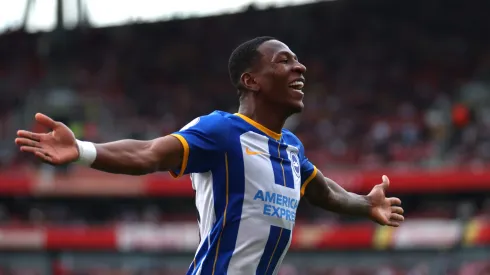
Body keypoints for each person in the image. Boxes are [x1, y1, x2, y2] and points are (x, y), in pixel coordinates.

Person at [15, 36, 404, 275]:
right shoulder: (221, 131)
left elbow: (322, 192)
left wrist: (365, 204)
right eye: (284, 60)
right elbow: (150, 153)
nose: (299, 66)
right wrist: (83, 150)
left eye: (297, 60)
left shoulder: (290, 148)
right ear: (250, 81)